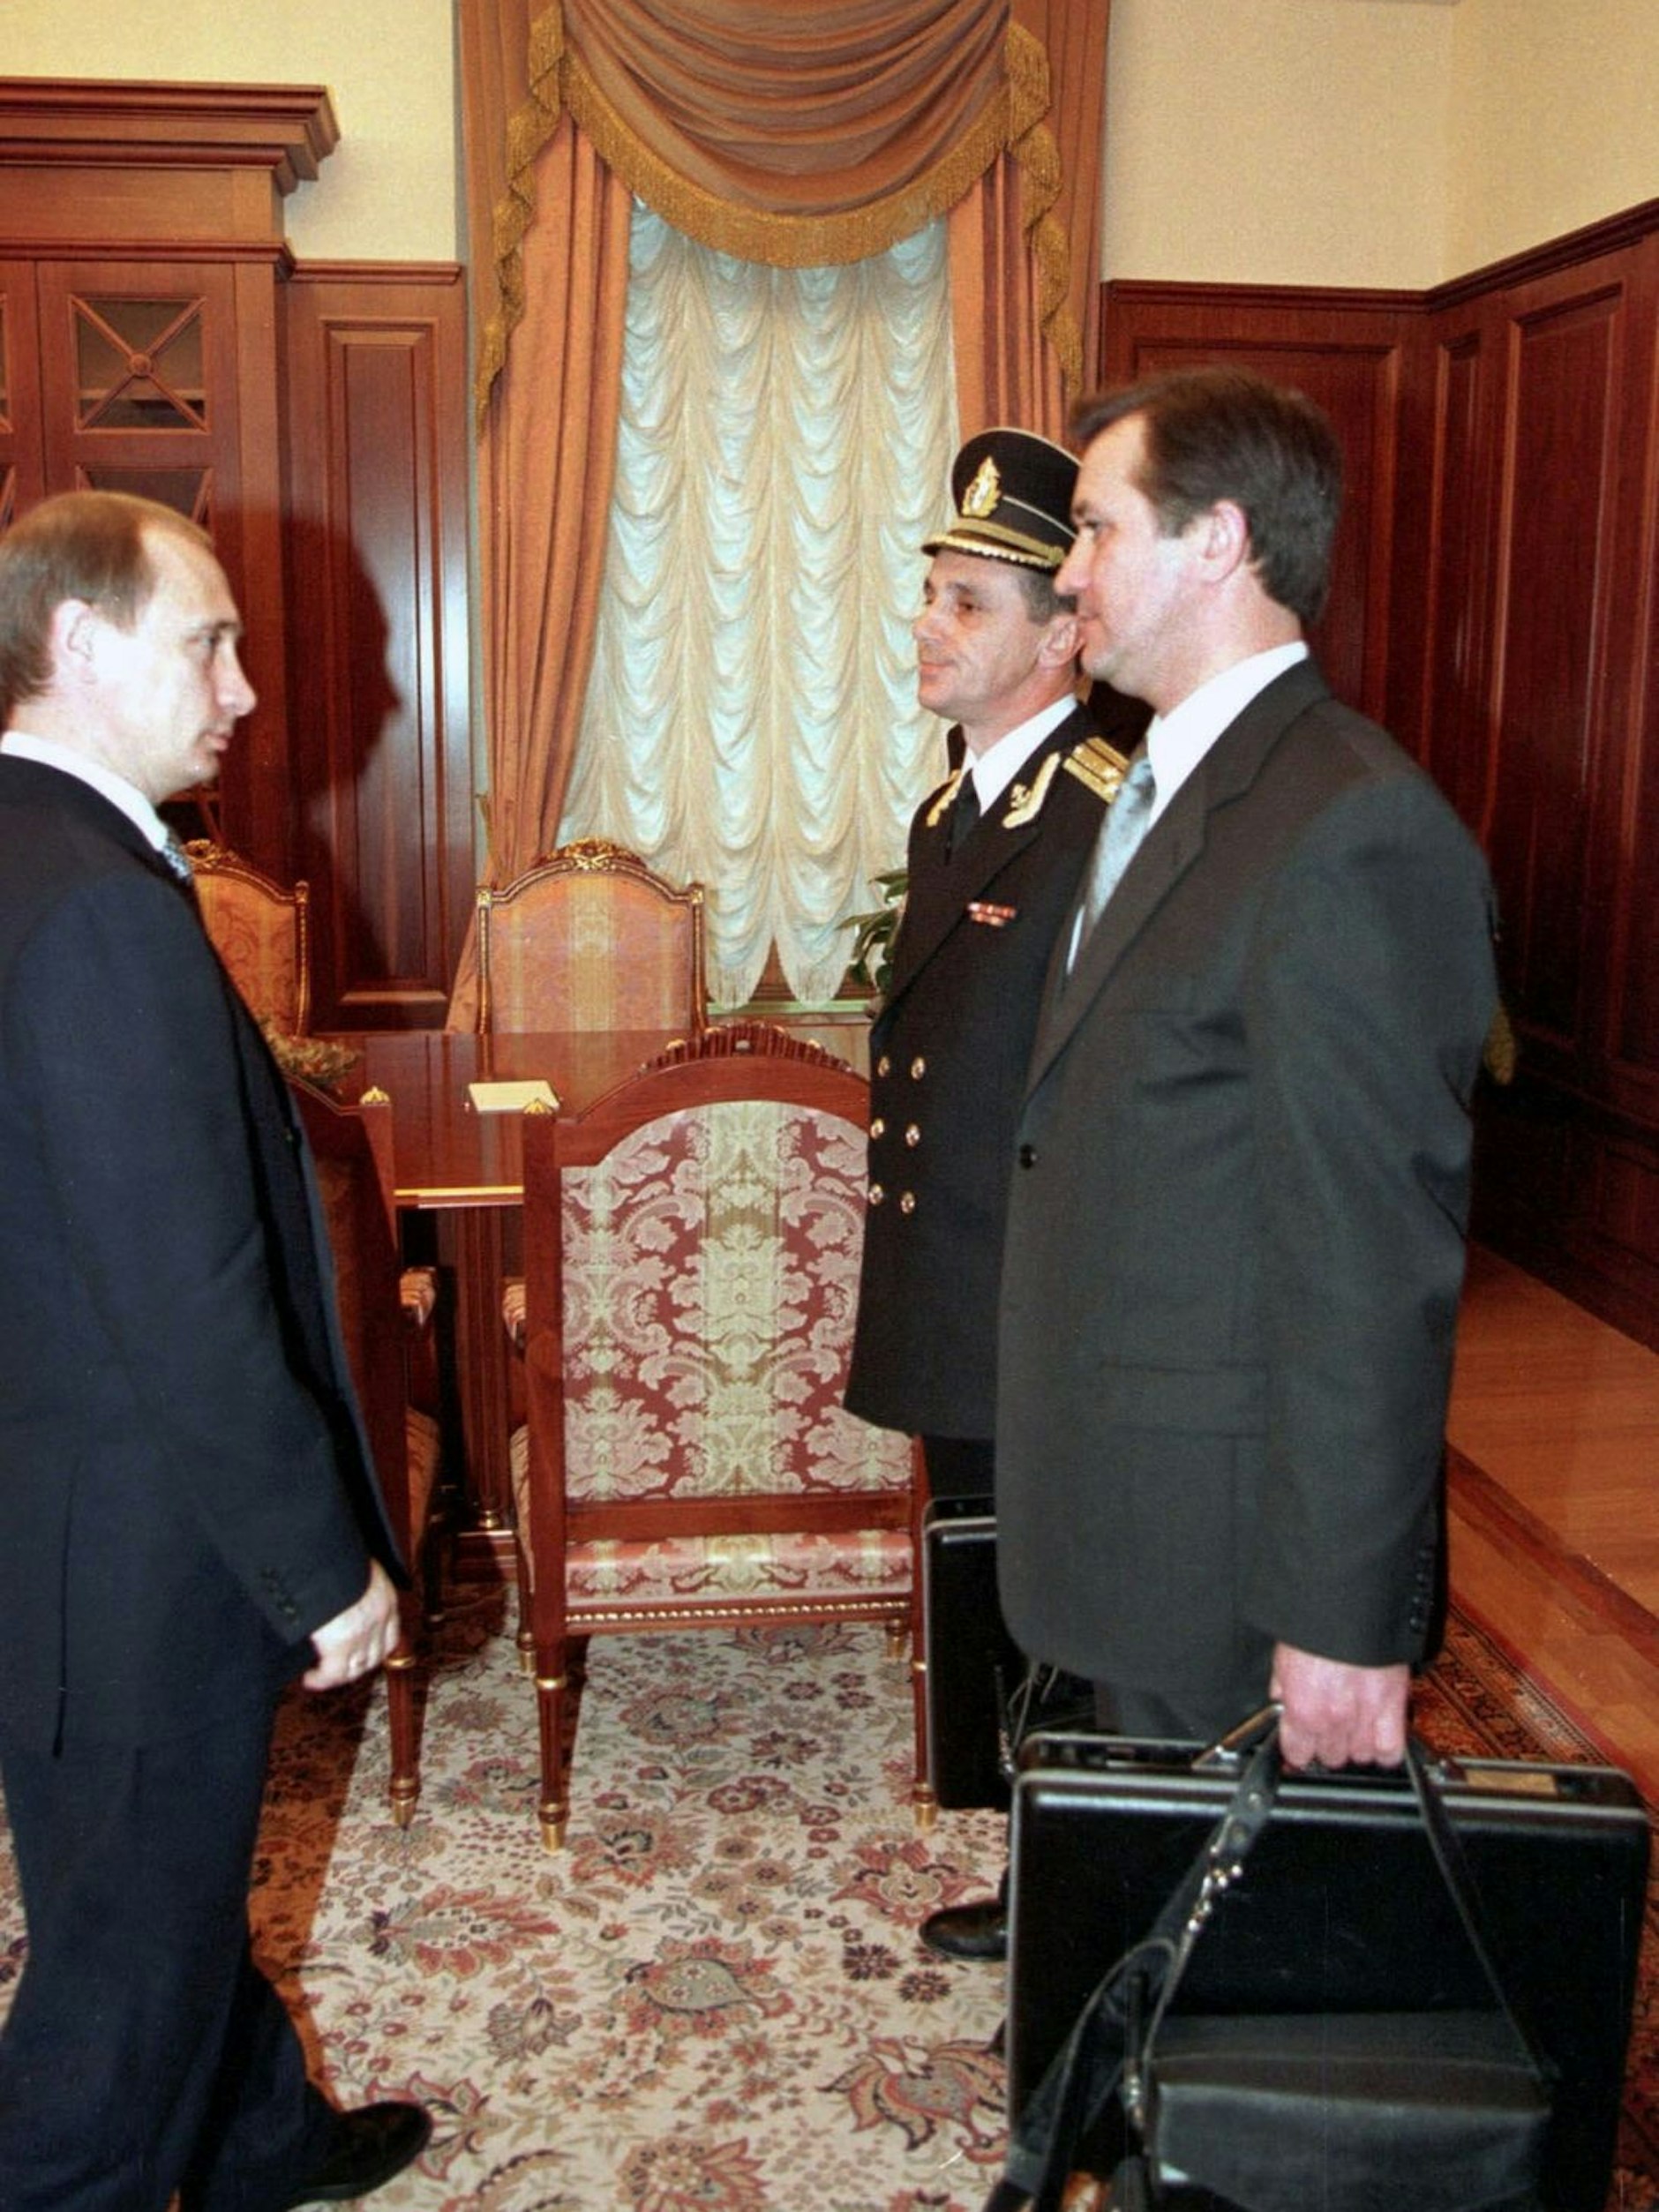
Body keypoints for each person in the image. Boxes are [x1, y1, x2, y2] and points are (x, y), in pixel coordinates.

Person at [0, 491, 431, 2210]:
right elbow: (188, 1291)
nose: (245, 688)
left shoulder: (34, 853)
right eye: (211, 642)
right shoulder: (99, 905)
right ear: (84, 646)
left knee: (142, 1892)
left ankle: (266, 2142)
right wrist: (322, 1567)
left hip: (48, 1521)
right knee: (115, 2008)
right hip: (135, 1550)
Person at [996, 368, 1499, 1772]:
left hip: (1226, 1552)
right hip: (1130, 1502)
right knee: (1134, 1905)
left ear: (1217, 541)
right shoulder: (1165, 781)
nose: (1070, 569)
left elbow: (1371, 1265)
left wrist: (1342, 1616)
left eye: (1095, 529)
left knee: (1226, 1960)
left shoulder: (1350, 828)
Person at [844, 428, 1146, 1961]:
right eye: (934, 596)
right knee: (995, 1577)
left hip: (1037, 1294)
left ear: (1065, 635)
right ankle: (1043, 1871)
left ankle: (1080, 1890)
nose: (931, 626)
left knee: (1059, 1596)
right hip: (966, 1278)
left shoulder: (1104, 814)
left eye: (970, 604)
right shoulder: (957, 807)